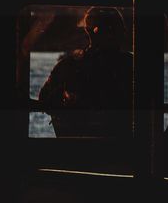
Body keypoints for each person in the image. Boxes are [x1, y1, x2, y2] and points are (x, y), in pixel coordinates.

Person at [37, 7, 133, 138]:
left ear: (88, 31)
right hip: (122, 149)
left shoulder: (68, 66)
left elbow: (44, 99)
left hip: (76, 150)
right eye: (119, 29)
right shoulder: (130, 65)